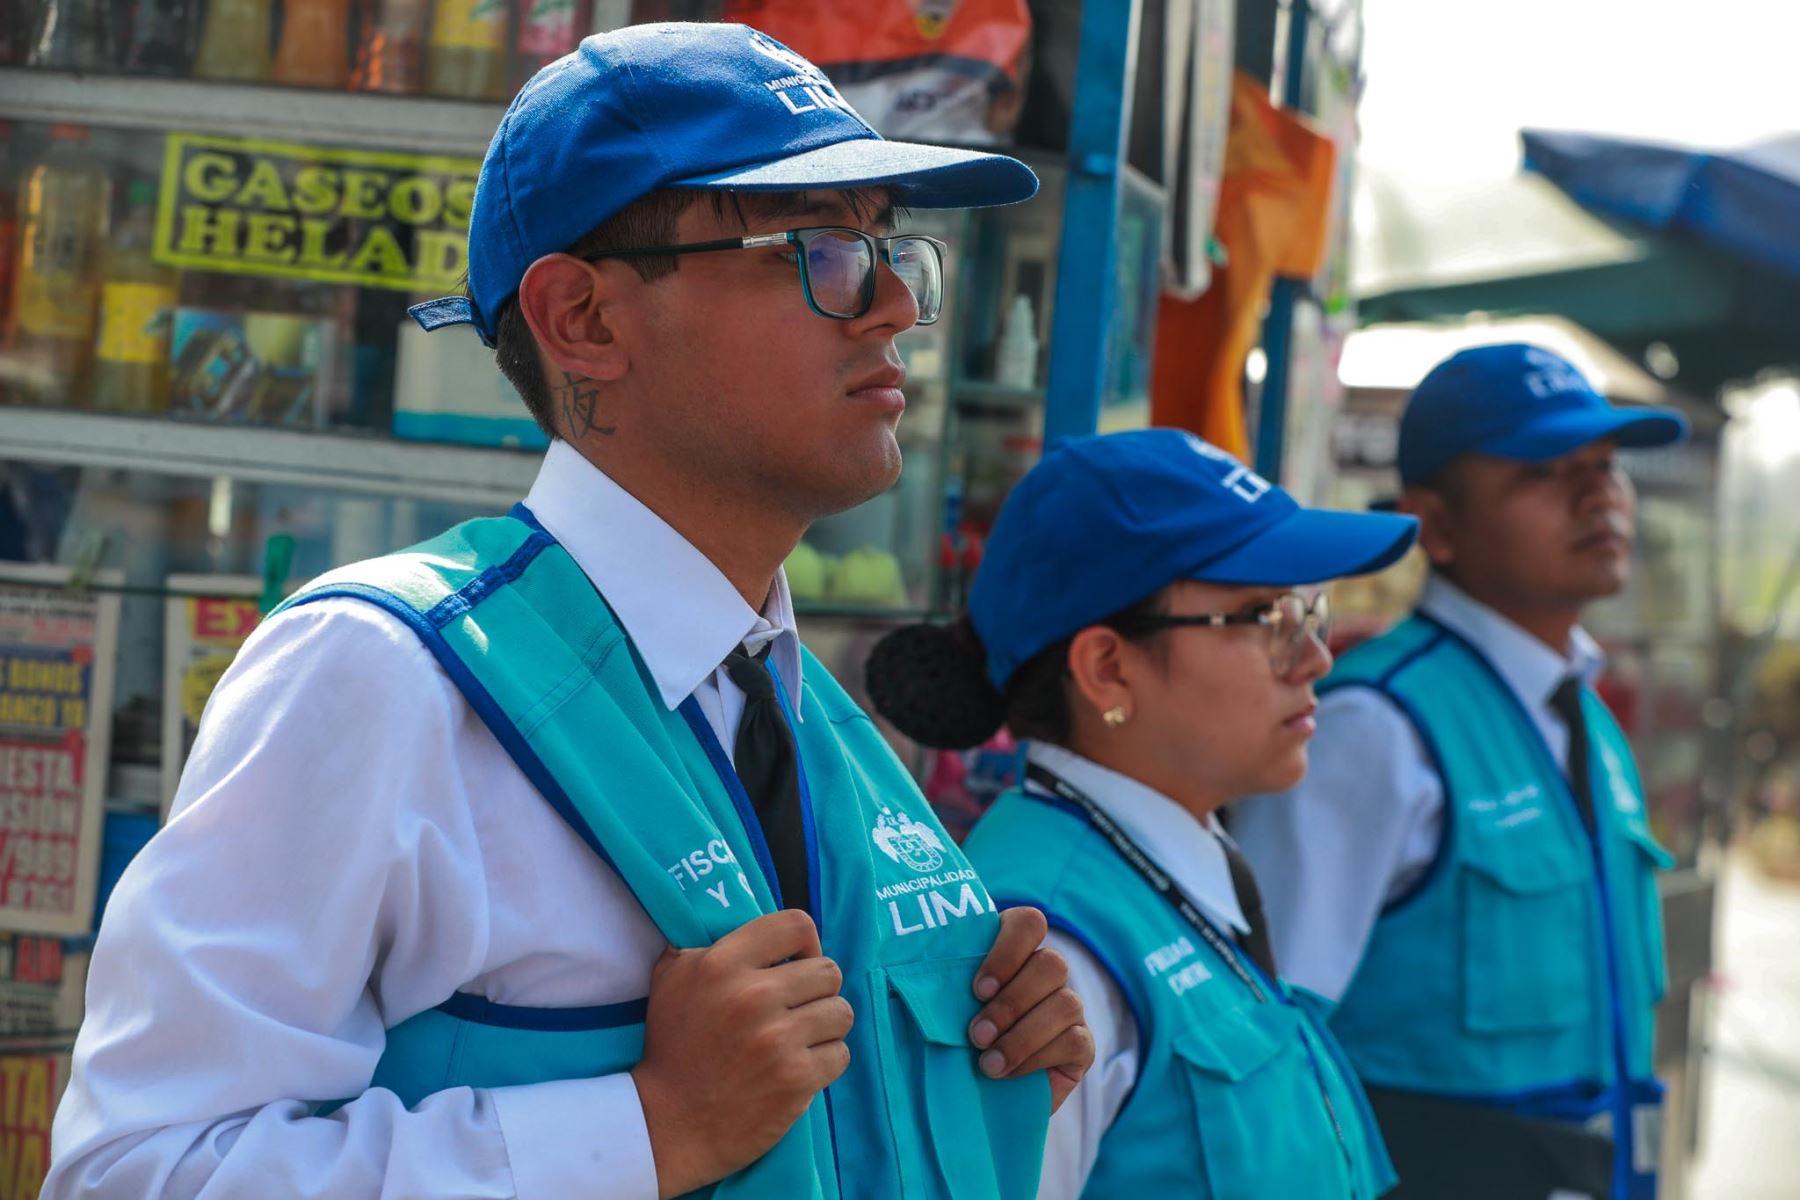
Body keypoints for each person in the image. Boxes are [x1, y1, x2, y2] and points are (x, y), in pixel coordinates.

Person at [47, 24, 1094, 1200]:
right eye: (819, 249)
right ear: (584, 321)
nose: (895, 303)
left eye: (892, 246)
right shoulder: (380, 676)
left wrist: (980, 1081)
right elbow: (134, 1171)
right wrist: (647, 1126)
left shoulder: (806, 715)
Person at [865, 428, 1417, 1198]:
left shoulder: (1173, 864)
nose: (1317, 657)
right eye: (1266, 616)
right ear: (1107, 669)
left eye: (1309, 611)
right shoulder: (1042, 951)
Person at [1231, 344, 1690, 1200]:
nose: (1598, 495)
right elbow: (1268, 1046)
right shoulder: (1373, 729)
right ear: (1433, 524)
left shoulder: (1584, 714)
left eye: (1605, 466)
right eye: (1544, 471)